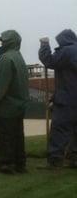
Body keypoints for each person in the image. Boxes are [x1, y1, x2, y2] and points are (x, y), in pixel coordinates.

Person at [0, 30, 30, 174]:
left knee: (5, 137)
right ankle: (20, 164)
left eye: (3, 41)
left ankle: (5, 165)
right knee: (17, 136)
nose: (2, 43)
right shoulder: (19, 57)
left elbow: (0, 86)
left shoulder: (6, 59)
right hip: (19, 105)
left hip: (6, 106)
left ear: (9, 42)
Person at [38, 29, 77, 169]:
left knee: (59, 129)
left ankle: (55, 160)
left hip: (67, 101)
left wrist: (44, 45)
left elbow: (49, 61)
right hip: (72, 96)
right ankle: (74, 158)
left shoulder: (67, 51)